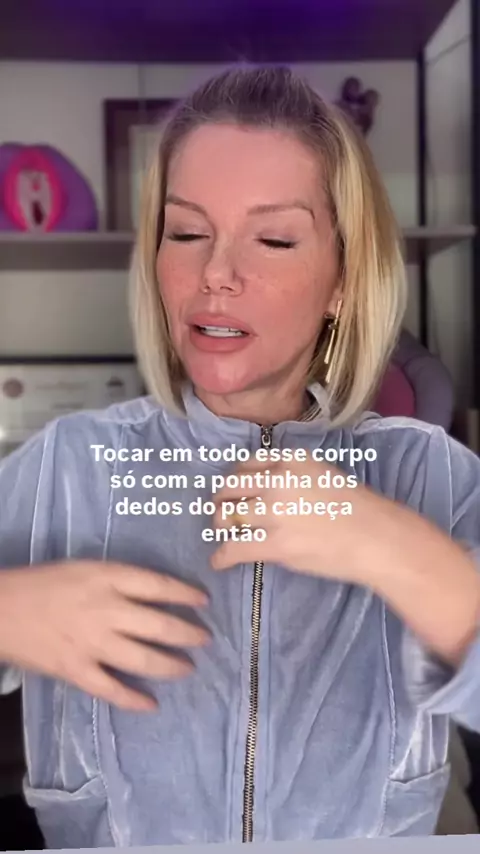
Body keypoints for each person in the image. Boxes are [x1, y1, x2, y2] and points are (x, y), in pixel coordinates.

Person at [0, 65, 479, 847]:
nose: (215, 274)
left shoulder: (431, 476)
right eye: (187, 233)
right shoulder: (69, 468)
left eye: (274, 239)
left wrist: (401, 553)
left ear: (342, 279)